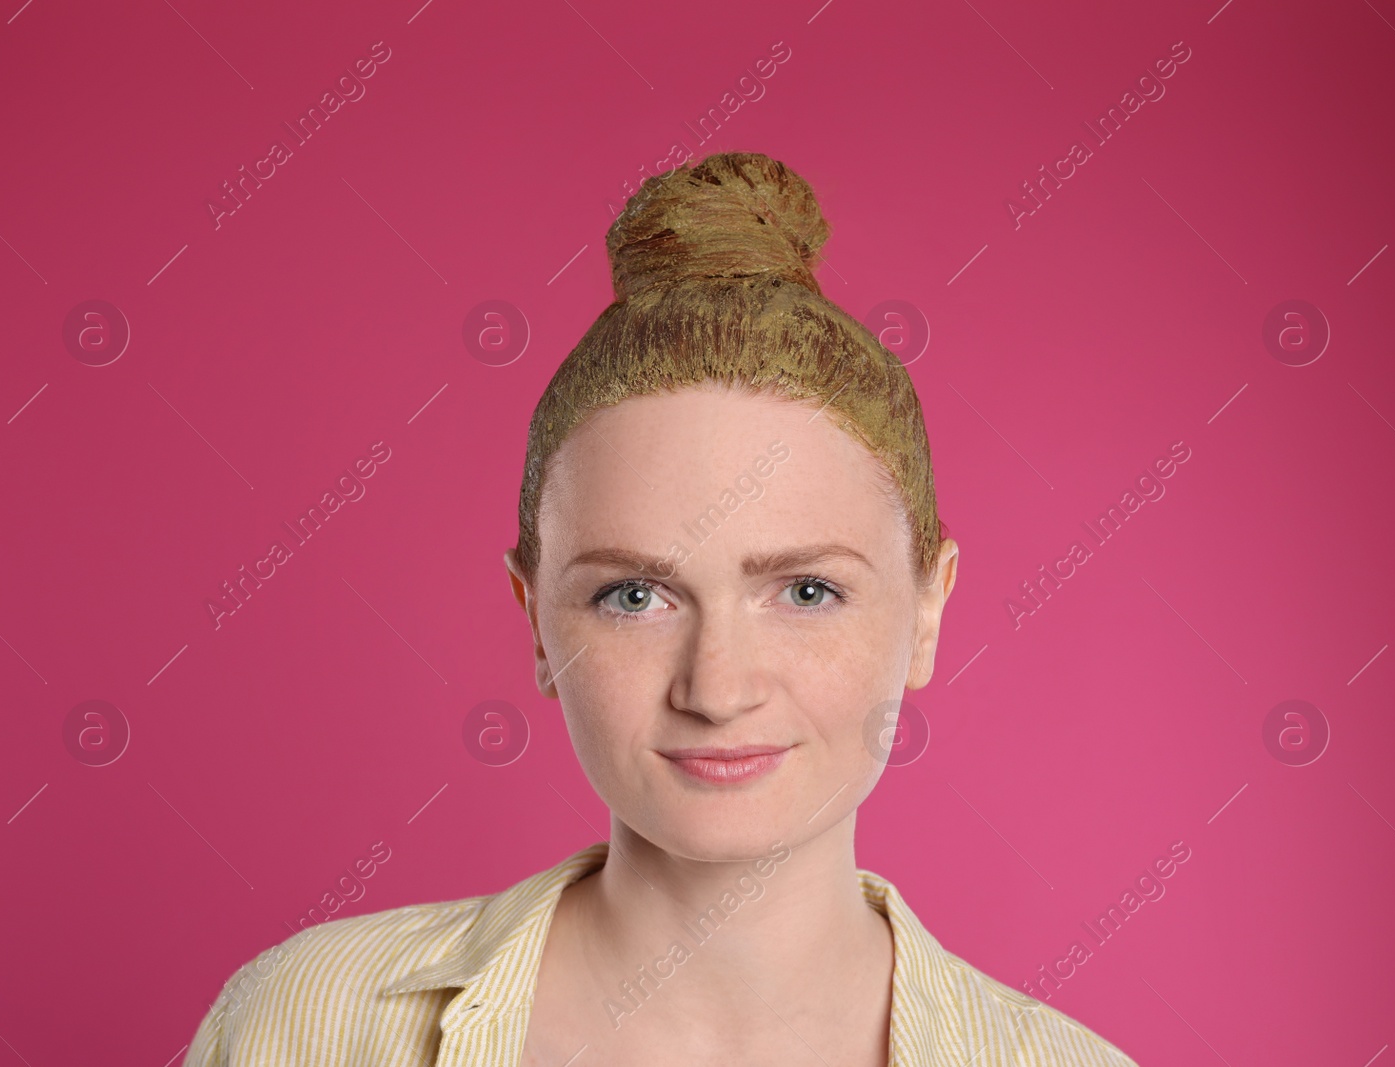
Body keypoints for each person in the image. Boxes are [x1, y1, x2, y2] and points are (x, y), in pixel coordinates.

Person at [182, 152, 1138, 1066]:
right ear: (536, 622)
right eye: (633, 594)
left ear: (927, 612)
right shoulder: (303, 1026)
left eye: (807, 590)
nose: (717, 688)